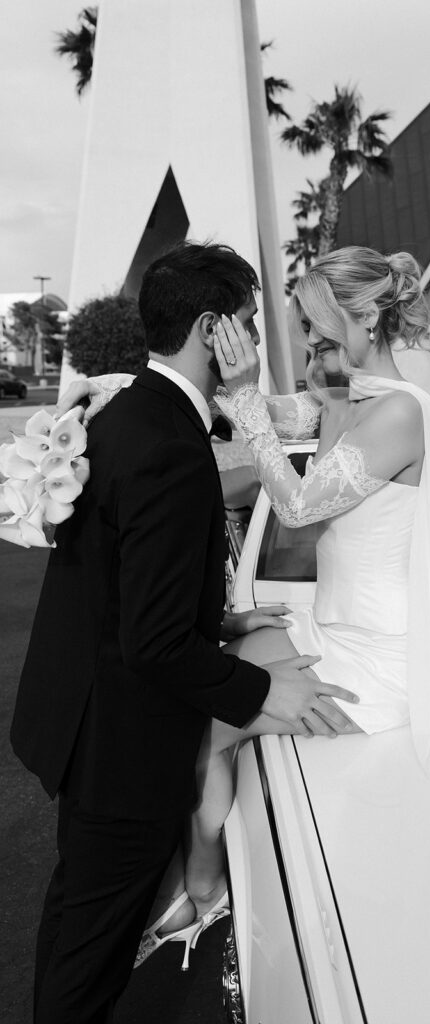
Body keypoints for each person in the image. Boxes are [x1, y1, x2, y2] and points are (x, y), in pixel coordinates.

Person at [10, 241, 358, 1024]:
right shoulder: (170, 446)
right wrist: (268, 687)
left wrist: (224, 618)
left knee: (75, 923)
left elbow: (121, 580)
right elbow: (157, 645)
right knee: (90, 958)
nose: (256, 342)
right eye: (245, 324)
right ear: (212, 329)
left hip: (80, 723)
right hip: (120, 749)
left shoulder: (126, 412)